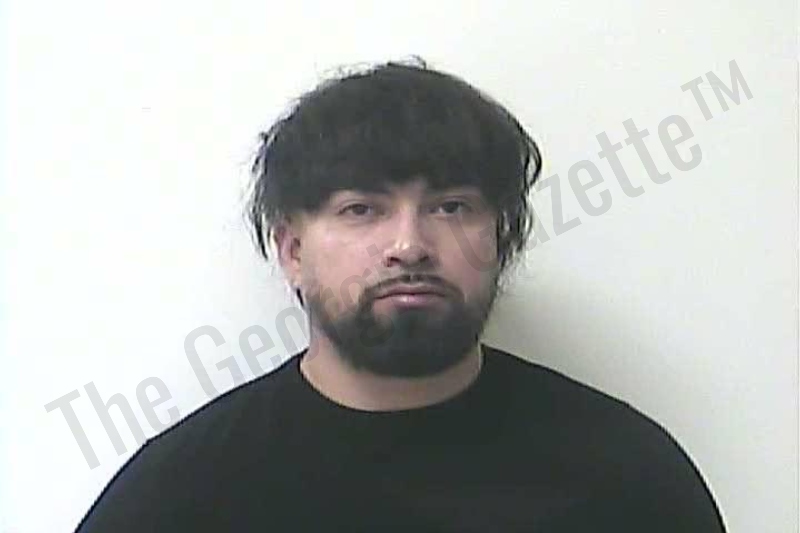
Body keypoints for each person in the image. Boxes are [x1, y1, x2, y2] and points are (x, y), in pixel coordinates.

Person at [74, 58, 727, 532]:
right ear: (292, 250)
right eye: (361, 210)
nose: (409, 245)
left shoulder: (626, 473)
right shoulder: (181, 494)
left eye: (451, 207)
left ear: (501, 239)